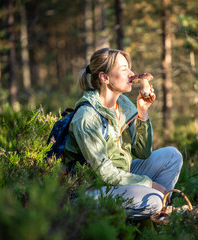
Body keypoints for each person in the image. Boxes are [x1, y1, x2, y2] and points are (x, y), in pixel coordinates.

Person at [63, 48, 183, 221]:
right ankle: (145, 216)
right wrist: (149, 184)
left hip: (120, 174)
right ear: (104, 77)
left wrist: (142, 113)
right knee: (154, 200)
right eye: (124, 68)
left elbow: (143, 153)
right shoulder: (87, 117)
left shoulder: (124, 105)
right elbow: (104, 173)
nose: (132, 74)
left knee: (172, 156)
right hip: (90, 188)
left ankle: (155, 218)